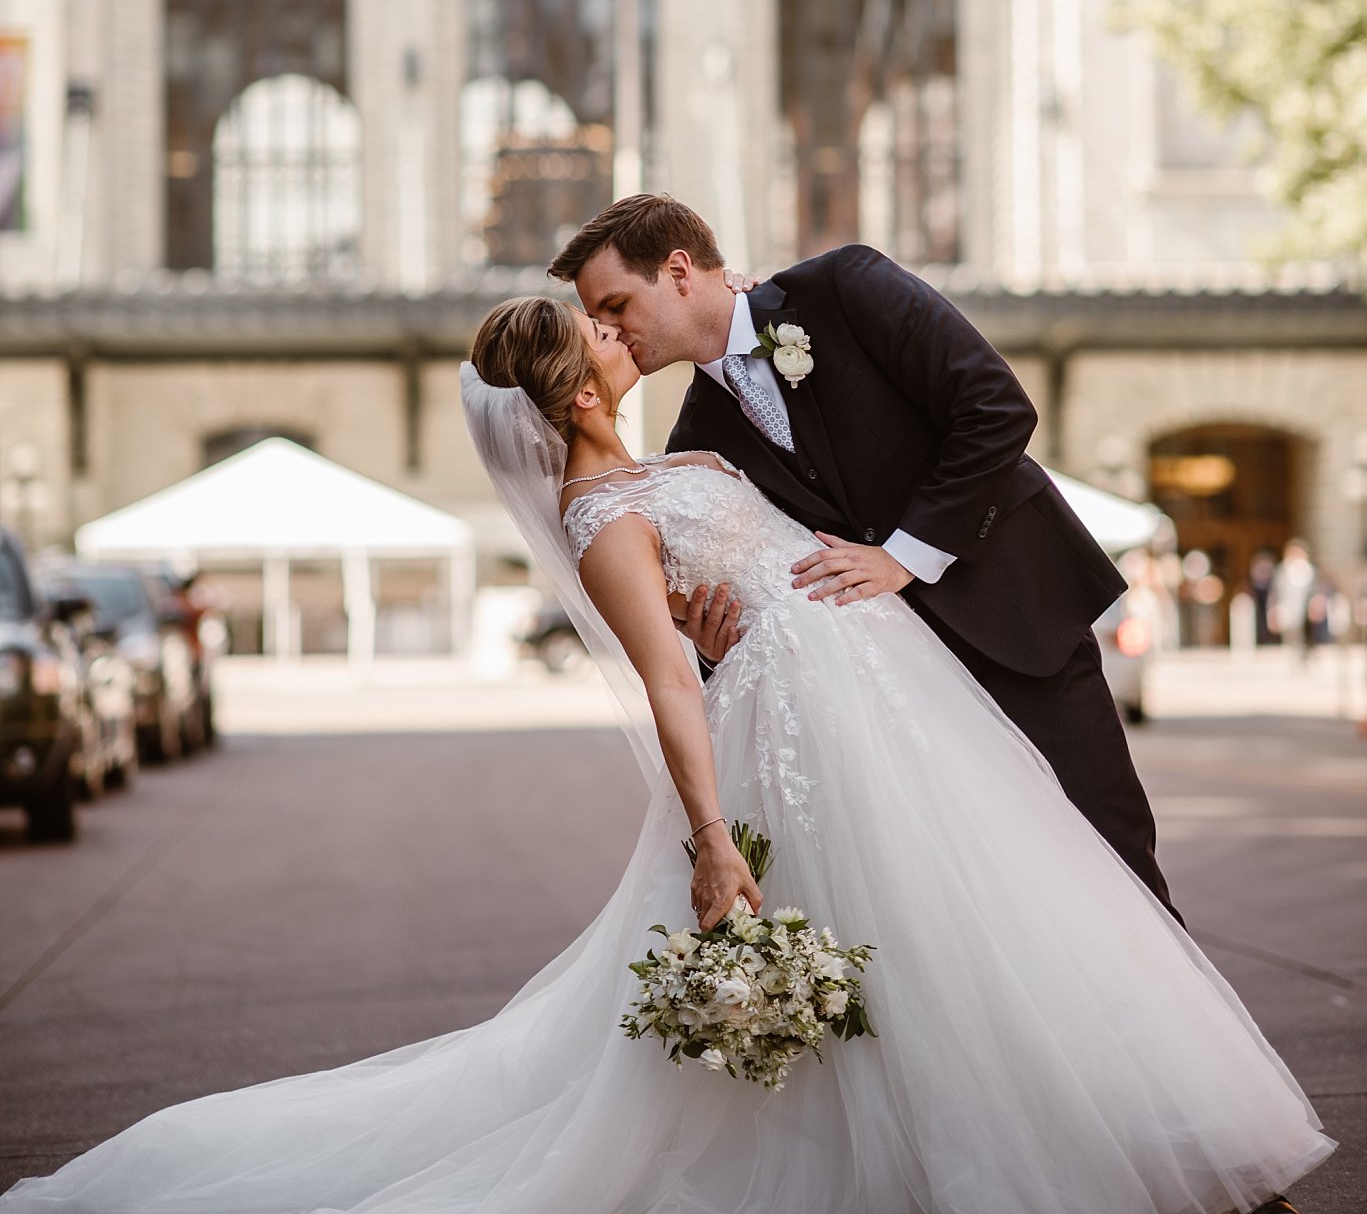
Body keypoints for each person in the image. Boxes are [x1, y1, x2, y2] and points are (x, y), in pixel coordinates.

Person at [0, 292, 1330, 1214]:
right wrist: (707, 839)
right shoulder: (600, 513)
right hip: (798, 748)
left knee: (982, 927)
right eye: (598, 331)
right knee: (912, 945)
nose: (618, 332)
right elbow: (665, 684)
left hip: (885, 711)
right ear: (575, 385)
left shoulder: (673, 456)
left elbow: (733, 588)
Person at [556, 195, 1177, 915]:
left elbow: (994, 407)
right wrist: (715, 641)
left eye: (617, 304)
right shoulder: (697, 444)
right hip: (893, 699)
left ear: (679, 270)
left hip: (1015, 622)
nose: (610, 331)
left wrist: (904, 555)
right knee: (992, 898)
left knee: (1110, 853)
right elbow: (755, 583)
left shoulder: (844, 288)